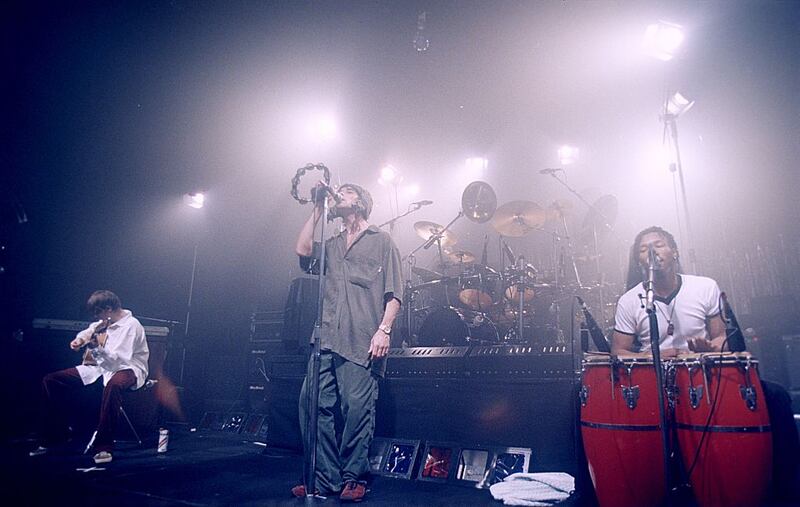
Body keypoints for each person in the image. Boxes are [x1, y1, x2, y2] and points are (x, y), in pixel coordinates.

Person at [610, 226, 799, 504]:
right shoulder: (630, 301)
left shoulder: (704, 286)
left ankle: (788, 491)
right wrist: (650, 358)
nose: (652, 251)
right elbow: (618, 352)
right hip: (657, 382)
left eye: (659, 245)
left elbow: (721, 335)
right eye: (643, 248)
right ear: (638, 260)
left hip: (705, 373)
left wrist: (713, 347)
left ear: (674, 252)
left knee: (776, 396)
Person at [292, 181, 403, 502]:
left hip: (362, 340)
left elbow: (395, 294)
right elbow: (302, 251)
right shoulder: (333, 243)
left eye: (347, 191)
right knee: (310, 405)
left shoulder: (381, 241)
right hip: (325, 336)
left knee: (356, 408)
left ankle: (354, 477)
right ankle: (323, 478)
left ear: (361, 202)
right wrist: (317, 211)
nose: (339, 193)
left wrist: (384, 329)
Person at [29, 290, 149, 464]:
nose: (96, 317)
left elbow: (116, 362)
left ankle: (104, 446)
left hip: (128, 367)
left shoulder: (131, 325)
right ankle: (57, 434)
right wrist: (80, 340)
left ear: (108, 309)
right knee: (51, 380)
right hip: (99, 366)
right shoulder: (105, 321)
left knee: (113, 386)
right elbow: (89, 331)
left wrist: (95, 348)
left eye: (97, 312)